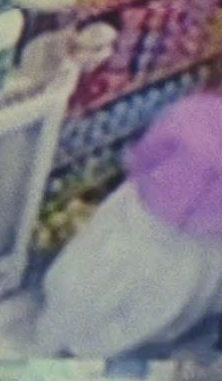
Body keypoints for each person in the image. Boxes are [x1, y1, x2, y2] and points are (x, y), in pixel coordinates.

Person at [37, 91, 222, 357]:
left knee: (95, 280)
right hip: (197, 244)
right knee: (154, 306)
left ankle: (65, 341)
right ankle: (100, 351)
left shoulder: (195, 112)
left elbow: (146, 155)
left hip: (141, 217)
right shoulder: (197, 117)